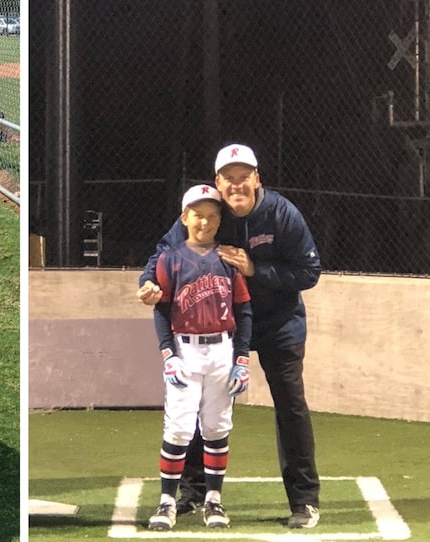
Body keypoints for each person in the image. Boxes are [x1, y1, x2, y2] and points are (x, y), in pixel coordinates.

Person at [137, 143, 322, 529]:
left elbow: (308, 273)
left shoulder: (282, 213)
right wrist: (149, 282)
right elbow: (164, 254)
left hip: (278, 326)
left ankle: (304, 501)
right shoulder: (209, 212)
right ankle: (193, 493)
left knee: (291, 407)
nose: (236, 186)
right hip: (221, 330)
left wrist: (256, 269)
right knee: (202, 407)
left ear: (257, 179)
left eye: (244, 178)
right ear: (218, 182)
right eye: (228, 179)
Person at [146, 184, 252, 532]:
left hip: (222, 348)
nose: (204, 222)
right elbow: (161, 309)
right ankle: (166, 501)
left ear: (219, 220)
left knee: (216, 427)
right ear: (184, 217)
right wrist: (167, 354)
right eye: (197, 215)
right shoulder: (170, 259)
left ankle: (213, 499)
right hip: (185, 349)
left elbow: (243, 309)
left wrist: (242, 358)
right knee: (178, 427)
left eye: (211, 216)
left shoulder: (229, 259)